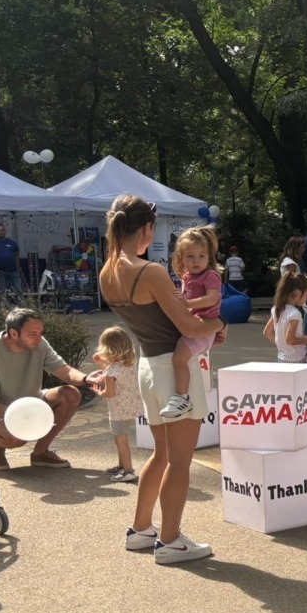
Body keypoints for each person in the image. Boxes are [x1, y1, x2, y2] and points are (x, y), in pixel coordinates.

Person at [98, 194, 226, 565]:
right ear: (147, 229)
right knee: (180, 461)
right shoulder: (149, 271)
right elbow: (188, 325)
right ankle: (170, 540)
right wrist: (220, 323)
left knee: (162, 452)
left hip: (149, 367)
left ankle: (141, 530)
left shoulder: (107, 272)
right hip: (174, 368)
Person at [0, 306, 93, 472]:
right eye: (33, 333)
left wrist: (86, 378)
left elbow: (65, 371)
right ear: (13, 333)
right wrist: (27, 417)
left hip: (30, 404)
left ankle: (41, 452)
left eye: (41, 333)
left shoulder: (39, 344)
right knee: (19, 436)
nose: (39, 338)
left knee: (70, 394)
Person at [162, 227, 223, 421]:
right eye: (190, 256)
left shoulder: (210, 276)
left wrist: (188, 304)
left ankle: (181, 397)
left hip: (203, 328)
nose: (196, 261)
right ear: (181, 258)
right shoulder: (187, 277)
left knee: (179, 359)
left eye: (201, 255)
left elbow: (212, 298)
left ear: (209, 256)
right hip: (197, 325)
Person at [92, 325, 143, 484]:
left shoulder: (110, 371)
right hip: (132, 407)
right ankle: (122, 466)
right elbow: (114, 374)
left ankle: (128, 470)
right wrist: (102, 365)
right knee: (121, 439)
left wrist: (97, 392)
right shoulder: (129, 365)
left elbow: (109, 393)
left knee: (120, 440)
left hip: (118, 411)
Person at [268, 273, 307, 362]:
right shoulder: (294, 314)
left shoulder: (276, 309)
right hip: (296, 360)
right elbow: (290, 340)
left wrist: (281, 347)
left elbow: (267, 333)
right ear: (299, 293)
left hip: (281, 357)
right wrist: (306, 339)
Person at [0, 222, 24, 296]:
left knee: (19, 290)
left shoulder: (11, 242)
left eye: (2, 230)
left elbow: (17, 254)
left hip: (13, 270)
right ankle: (5, 306)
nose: (1, 232)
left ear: (5, 231)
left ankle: (21, 305)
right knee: (3, 292)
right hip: (0, 271)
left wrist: (17, 266)